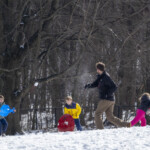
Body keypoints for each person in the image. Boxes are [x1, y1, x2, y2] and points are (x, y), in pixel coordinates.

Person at [85, 62, 130, 129]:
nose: (96, 70)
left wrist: (107, 94)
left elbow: (114, 87)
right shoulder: (100, 77)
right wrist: (88, 86)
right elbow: (95, 84)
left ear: (99, 69)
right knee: (110, 117)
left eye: (97, 69)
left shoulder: (106, 77)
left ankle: (100, 130)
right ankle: (126, 124)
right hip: (110, 99)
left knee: (97, 114)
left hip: (106, 99)